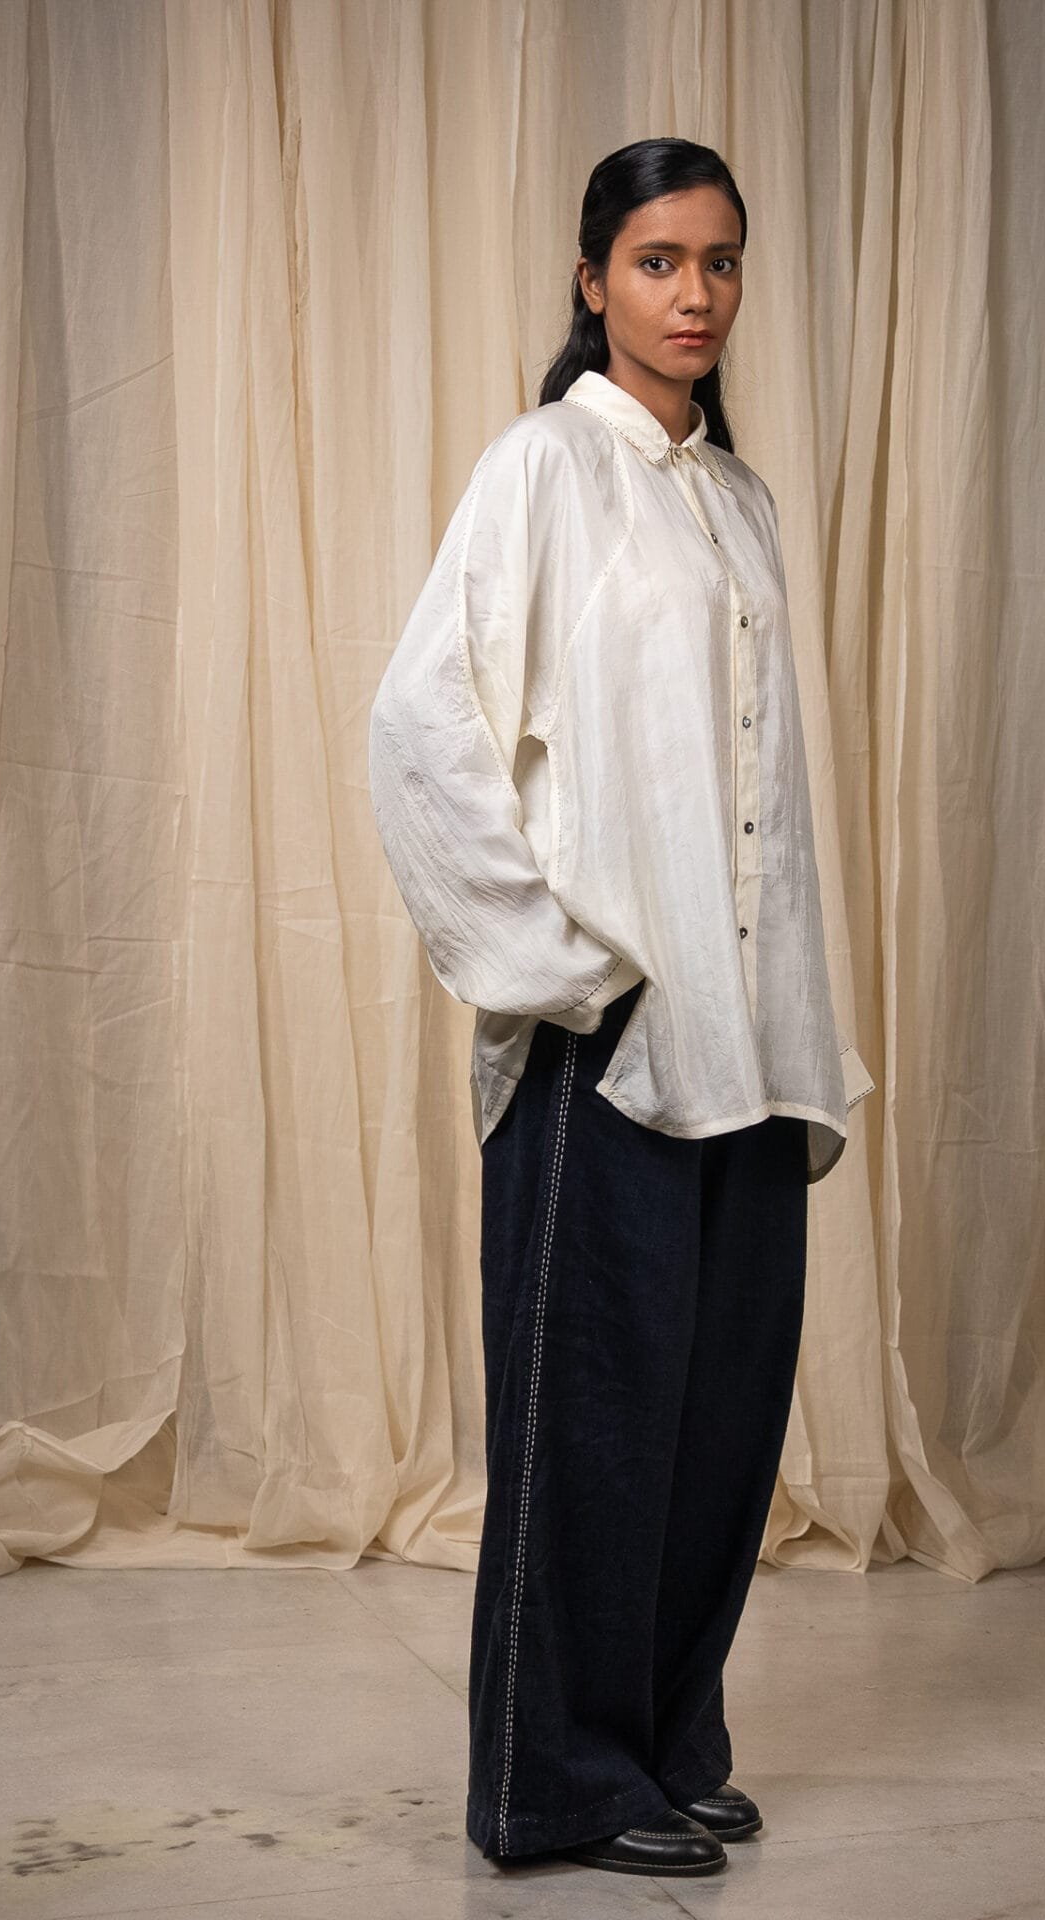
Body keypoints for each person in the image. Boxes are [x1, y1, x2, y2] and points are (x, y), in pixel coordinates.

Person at [367, 136, 873, 1879]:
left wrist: (795, 1019)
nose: (695, 294)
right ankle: (555, 1783)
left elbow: (761, 793)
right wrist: (560, 971)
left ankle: (664, 1739)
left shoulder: (740, 500)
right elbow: (421, 727)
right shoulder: (542, 469)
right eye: (658, 261)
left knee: (716, 1424)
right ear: (592, 282)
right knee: (588, 1422)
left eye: (720, 262)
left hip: (752, 1039)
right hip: (613, 1042)